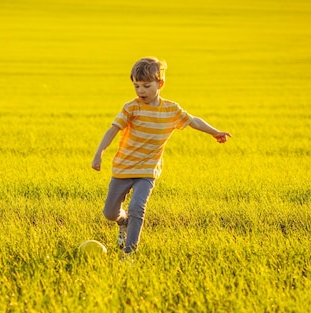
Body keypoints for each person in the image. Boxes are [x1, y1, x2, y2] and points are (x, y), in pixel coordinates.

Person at [91, 57, 231, 255]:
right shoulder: (132, 107)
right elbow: (112, 130)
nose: (141, 91)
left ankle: (129, 254)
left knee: (138, 207)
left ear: (160, 84)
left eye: (146, 86)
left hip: (148, 170)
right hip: (123, 167)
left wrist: (215, 132)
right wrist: (99, 154)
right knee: (110, 213)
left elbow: (193, 121)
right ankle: (123, 222)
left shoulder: (170, 110)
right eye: (136, 86)